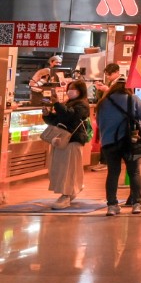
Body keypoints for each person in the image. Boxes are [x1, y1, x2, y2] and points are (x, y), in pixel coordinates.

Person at [96, 77, 141, 216]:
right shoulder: (133, 99)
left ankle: (112, 206)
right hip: (129, 142)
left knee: (113, 173)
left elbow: (99, 122)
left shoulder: (103, 102)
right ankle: (137, 204)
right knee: (134, 172)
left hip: (108, 142)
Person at [42, 80, 91, 210]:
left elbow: (70, 116)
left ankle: (67, 195)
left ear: (80, 91)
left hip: (72, 140)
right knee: (61, 168)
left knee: (68, 169)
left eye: (73, 88)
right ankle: (71, 191)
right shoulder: (68, 104)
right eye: (69, 88)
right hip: (61, 141)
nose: (70, 91)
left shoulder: (82, 105)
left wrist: (57, 103)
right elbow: (57, 120)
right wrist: (47, 115)